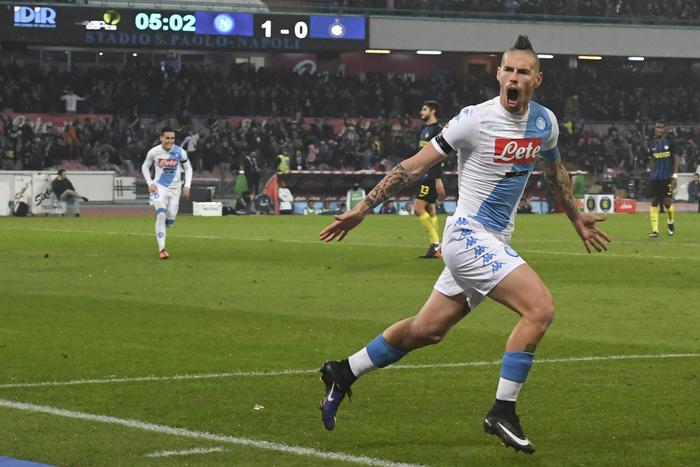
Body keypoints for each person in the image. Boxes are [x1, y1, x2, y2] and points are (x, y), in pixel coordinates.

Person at [317, 36, 611, 454]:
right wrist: (364, 207)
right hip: (467, 236)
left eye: (523, 72)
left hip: (493, 240)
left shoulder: (545, 122)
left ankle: (343, 371)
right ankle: (502, 411)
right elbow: (413, 165)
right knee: (540, 308)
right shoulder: (473, 120)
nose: (514, 77)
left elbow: (556, 172)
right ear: (498, 74)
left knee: (427, 330)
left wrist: (576, 215)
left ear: (536, 80)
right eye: (508, 70)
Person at [141, 127, 192, 260]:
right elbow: (145, 166)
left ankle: (167, 223)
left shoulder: (180, 152)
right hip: (159, 187)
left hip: (175, 190)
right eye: (167, 138)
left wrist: (186, 186)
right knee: (161, 214)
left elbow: (188, 168)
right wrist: (149, 183)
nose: (170, 141)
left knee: (170, 219)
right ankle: (162, 249)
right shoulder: (154, 152)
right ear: (161, 138)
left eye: (172, 138)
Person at [414, 101, 446, 258]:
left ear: (432, 111)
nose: (421, 111)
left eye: (424, 109)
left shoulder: (437, 130)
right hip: (424, 174)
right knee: (430, 209)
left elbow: (439, 157)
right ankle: (436, 248)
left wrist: (438, 179)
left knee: (418, 208)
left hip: (431, 176)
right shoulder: (424, 129)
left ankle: (435, 245)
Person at [648, 121, 679, 237]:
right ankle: (655, 230)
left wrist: (675, 176)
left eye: (661, 128)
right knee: (654, 201)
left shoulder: (671, 142)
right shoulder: (651, 143)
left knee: (667, 203)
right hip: (655, 177)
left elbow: (676, 159)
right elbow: (652, 158)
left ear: (665, 129)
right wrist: (652, 172)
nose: (658, 130)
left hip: (668, 177)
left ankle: (670, 221)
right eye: (657, 127)